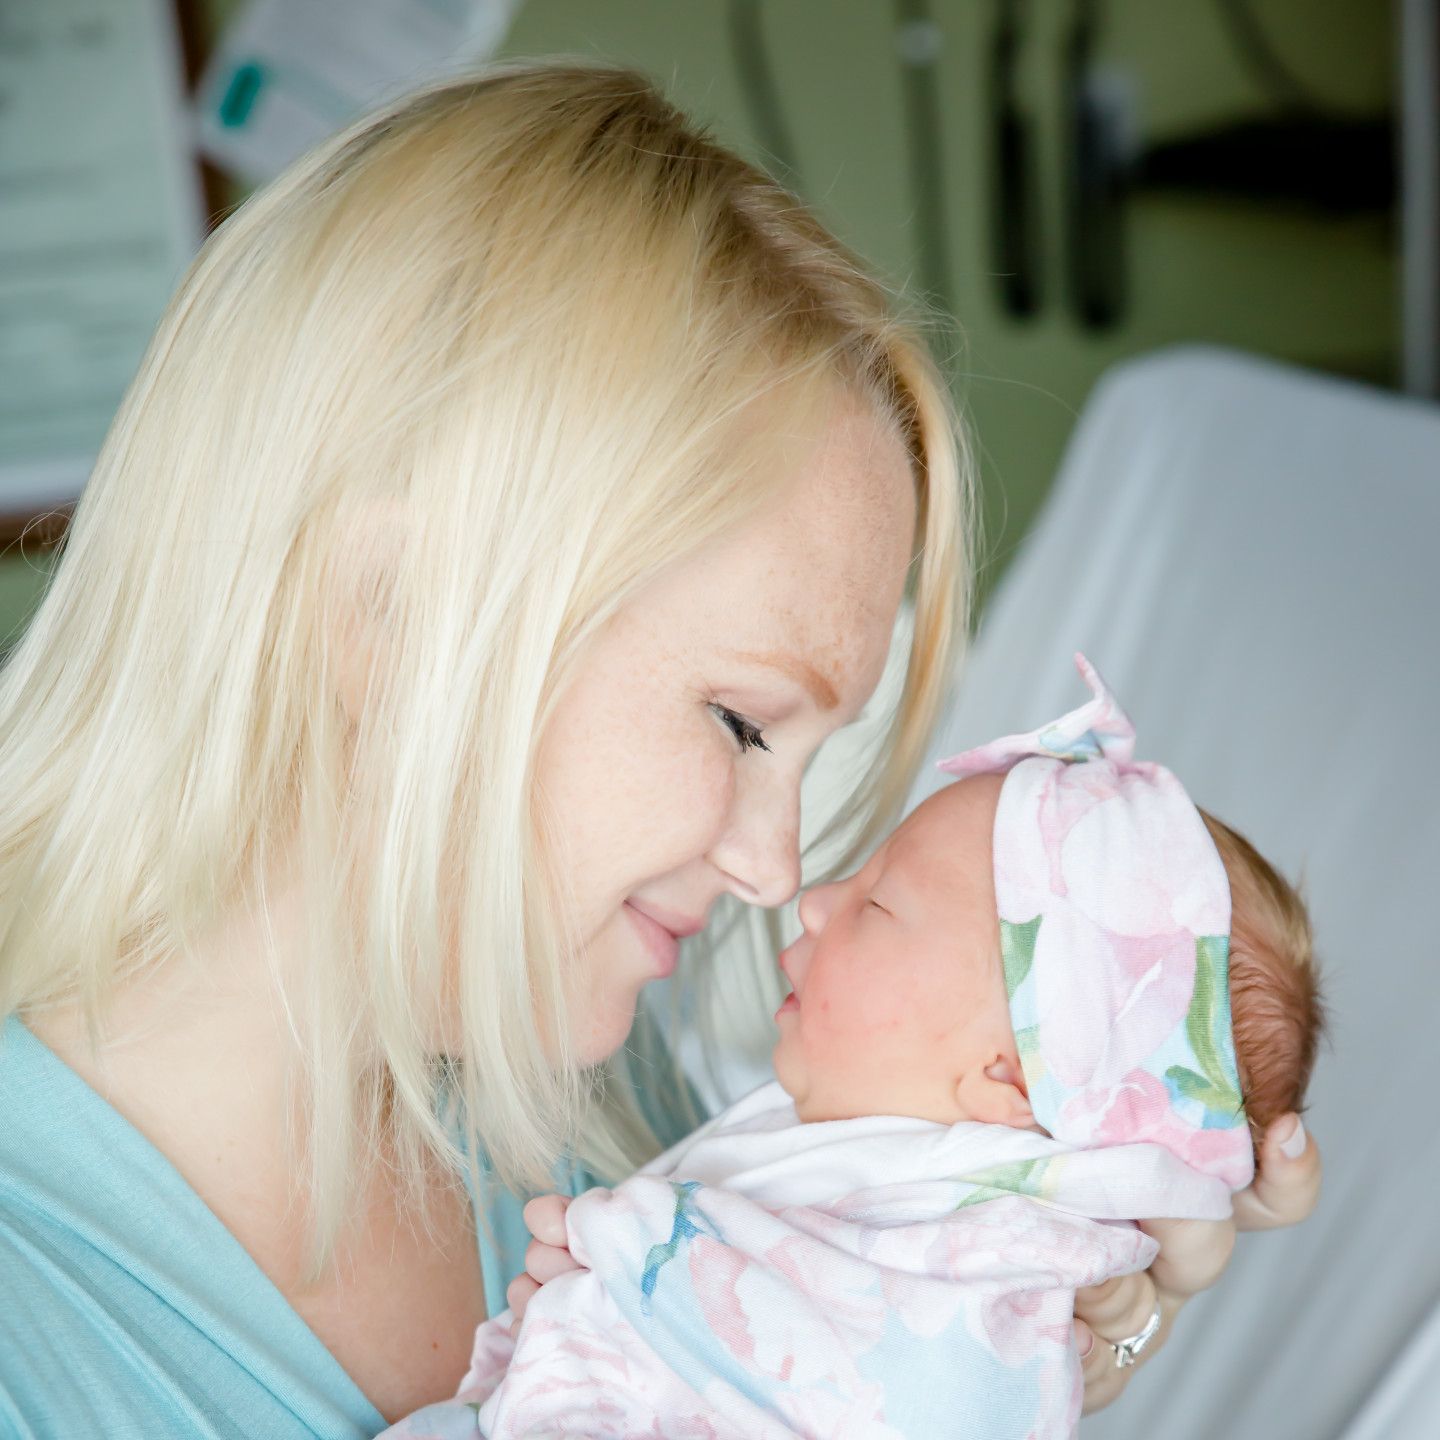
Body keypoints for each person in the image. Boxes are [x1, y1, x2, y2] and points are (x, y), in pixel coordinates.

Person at [0, 61, 1321, 1437]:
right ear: (385, 613)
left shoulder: (605, 1102)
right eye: (743, 722)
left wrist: (991, 1359)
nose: (771, 868)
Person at [381, 655, 1322, 1438]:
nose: (809, 893)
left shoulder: (979, 1273)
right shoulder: (873, 1176)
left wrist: (622, 1271)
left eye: (876, 903)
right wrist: (614, 1287)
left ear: (1006, 1075)